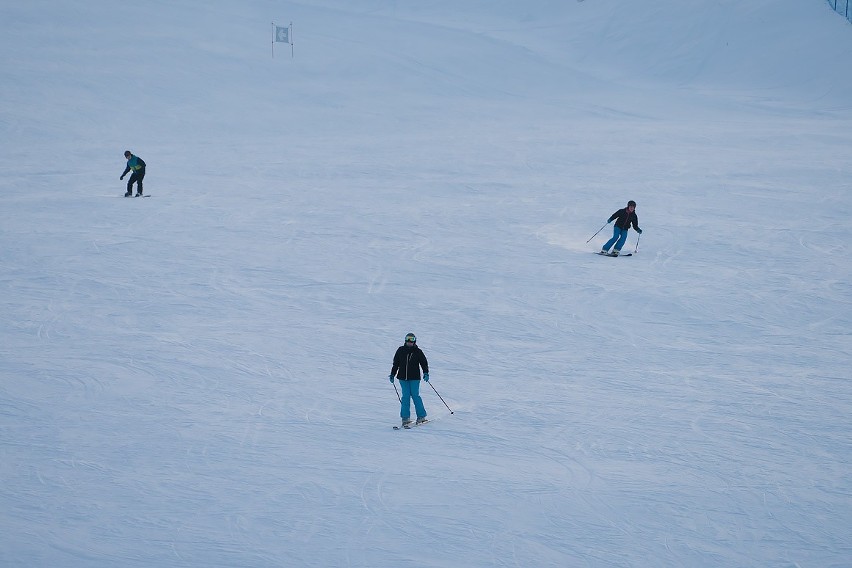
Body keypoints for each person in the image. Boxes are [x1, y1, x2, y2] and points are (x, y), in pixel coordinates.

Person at [389, 333, 429, 427]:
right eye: (408, 339)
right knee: (405, 397)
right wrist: (392, 374)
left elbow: (424, 363)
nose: (409, 341)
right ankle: (405, 418)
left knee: (415, 396)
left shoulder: (418, 351)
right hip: (402, 378)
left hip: (414, 378)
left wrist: (426, 373)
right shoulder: (400, 350)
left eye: (412, 339)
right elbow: (396, 364)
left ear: (414, 341)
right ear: (405, 340)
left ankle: (421, 416)